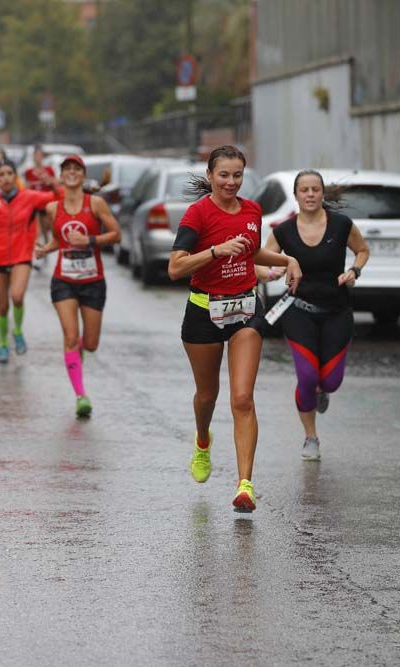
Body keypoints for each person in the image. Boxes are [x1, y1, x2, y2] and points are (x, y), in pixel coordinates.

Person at [167, 145, 302, 513]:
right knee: (207, 396)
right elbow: (175, 268)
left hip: (245, 309)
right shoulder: (197, 214)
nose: (230, 182)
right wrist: (215, 251)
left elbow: (251, 253)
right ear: (210, 175)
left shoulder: (252, 211)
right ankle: (202, 439)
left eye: (237, 175)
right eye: (223, 174)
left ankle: (245, 485)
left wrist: (288, 259)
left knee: (242, 398)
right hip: (203, 311)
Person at [256, 170, 369, 461]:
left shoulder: (341, 225)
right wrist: (272, 271)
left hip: (337, 312)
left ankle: (323, 390)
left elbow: (362, 250)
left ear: (322, 194)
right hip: (298, 312)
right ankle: (311, 437)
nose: (309, 194)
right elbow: (260, 263)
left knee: (330, 381)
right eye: (304, 190)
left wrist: (354, 271)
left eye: (315, 189)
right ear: (296, 195)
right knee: (307, 377)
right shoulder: (283, 230)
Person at [35, 155, 121, 417]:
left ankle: (77, 357)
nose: (71, 173)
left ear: (83, 176)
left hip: (93, 282)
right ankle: (81, 395)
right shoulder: (53, 208)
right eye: (67, 169)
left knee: (91, 344)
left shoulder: (95, 203)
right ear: (61, 176)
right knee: (71, 338)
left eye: (76, 169)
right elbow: (58, 241)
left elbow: (117, 234)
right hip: (64, 281)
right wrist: (43, 250)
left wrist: (89, 241)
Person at [0, 159, 53, 363]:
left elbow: (59, 198)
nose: (6, 178)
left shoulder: (30, 198)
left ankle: (17, 331)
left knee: (17, 296)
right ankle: (3, 344)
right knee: (2, 306)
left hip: (21, 256)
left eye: (10, 173)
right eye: (1, 174)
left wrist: (53, 183)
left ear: (16, 177)